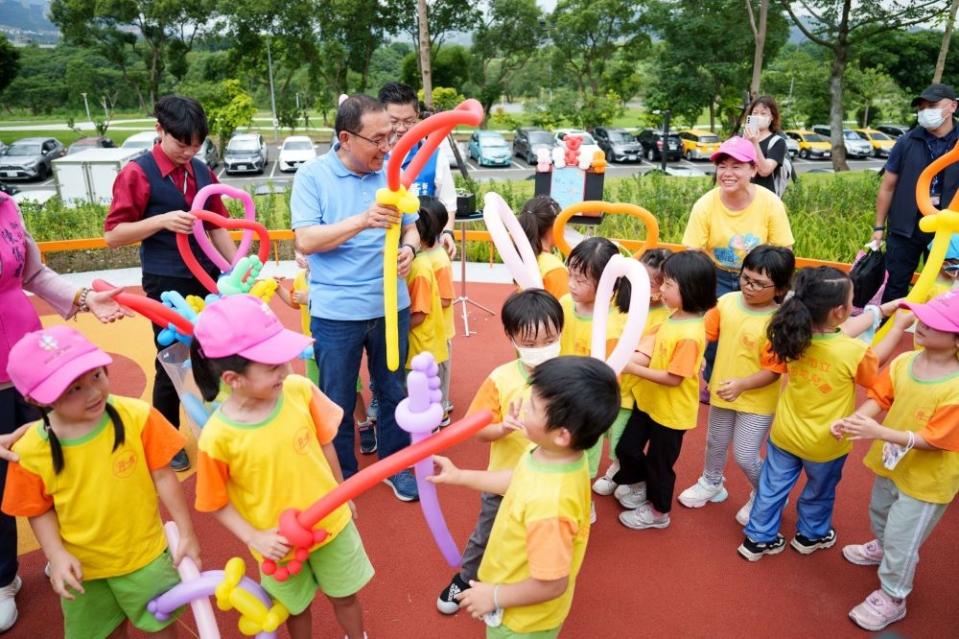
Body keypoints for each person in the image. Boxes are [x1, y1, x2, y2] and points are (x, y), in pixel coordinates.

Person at [191, 295, 373, 639]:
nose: (287, 370)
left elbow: (324, 442)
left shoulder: (299, 391)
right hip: (277, 543)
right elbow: (215, 502)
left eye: (285, 360)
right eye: (273, 366)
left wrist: (341, 492)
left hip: (330, 523)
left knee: (345, 596)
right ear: (233, 378)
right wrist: (255, 537)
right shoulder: (217, 437)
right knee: (294, 608)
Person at [2, 325, 199, 639]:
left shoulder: (137, 416)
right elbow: (37, 510)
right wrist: (56, 554)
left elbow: (163, 474)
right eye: (73, 389)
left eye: (96, 376)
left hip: (144, 557)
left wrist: (186, 532)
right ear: (34, 398)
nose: (93, 392)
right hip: (84, 569)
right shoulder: (30, 451)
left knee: (162, 628)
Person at [0, 191, 128, 631]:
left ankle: (63, 552)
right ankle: (2, 579)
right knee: (3, 473)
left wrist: (82, 298)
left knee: (57, 460)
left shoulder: (6, 206)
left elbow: (32, 272)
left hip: (33, 362)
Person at [429, 355, 621, 639]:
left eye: (532, 406)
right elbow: (517, 479)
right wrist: (460, 476)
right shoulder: (553, 455)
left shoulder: (550, 505)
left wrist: (494, 596)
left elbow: (552, 583)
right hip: (512, 591)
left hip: (524, 624)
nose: (522, 408)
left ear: (562, 435)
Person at [291, 94, 421, 501]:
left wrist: (410, 250)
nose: (387, 147)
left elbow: (413, 228)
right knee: (338, 399)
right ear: (346, 138)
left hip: (390, 306)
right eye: (378, 138)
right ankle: (342, 474)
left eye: (391, 136)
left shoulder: (392, 173)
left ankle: (395, 466)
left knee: (394, 390)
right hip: (336, 313)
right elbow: (307, 239)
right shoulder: (312, 176)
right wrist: (363, 220)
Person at [104, 95, 237, 472]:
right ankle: (167, 439)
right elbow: (113, 234)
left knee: (215, 354)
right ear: (159, 130)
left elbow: (217, 227)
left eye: (196, 145)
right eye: (182, 143)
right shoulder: (137, 173)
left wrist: (237, 269)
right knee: (171, 361)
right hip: (165, 281)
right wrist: (161, 221)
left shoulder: (200, 171)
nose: (189, 152)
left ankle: (219, 431)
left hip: (207, 278)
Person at [832, 292, 959, 633]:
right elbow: (879, 396)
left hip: (928, 480)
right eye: (924, 318)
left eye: (936, 324)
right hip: (893, 463)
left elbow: (935, 440)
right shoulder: (906, 362)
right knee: (880, 511)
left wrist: (879, 432)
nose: (923, 325)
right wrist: (854, 421)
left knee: (904, 539)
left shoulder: (956, 387)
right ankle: (883, 545)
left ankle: (893, 595)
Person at [737, 267, 881, 561]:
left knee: (771, 487)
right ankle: (810, 535)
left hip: (785, 434)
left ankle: (757, 539)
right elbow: (872, 381)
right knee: (820, 491)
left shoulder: (791, 337)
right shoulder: (854, 351)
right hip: (826, 442)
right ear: (840, 312)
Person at [436, 289, 564, 616]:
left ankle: (524, 587)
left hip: (552, 482)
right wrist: (503, 428)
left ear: (561, 333)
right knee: (487, 533)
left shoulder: (569, 378)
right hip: (503, 482)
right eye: (531, 343)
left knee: (541, 539)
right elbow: (476, 430)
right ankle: (465, 579)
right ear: (512, 338)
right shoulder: (501, 379)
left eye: (549, 340)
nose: (541, 350)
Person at [677, 246, 795, 525]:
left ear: (779, 289)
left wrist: (742, 385)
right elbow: (705, 333)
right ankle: (711, 482)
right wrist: (698, 358)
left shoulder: (779, 321)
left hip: (756, 401)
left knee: (744, 453)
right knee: (715, 442)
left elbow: (774, 371)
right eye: (746, 278)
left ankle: (768, 494)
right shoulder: (727, 302)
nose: (749, 287)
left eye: (758, 283)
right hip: (723, 391)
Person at [614, 250, 717, 531]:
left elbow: (674, 379)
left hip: (670, 414)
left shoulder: (690, 334)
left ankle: (659, 512)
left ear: (691, 290)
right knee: (626, 447)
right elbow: (649, 351)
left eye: (669, 284)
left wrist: (633, 369)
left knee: (661, 464)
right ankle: (640, 484)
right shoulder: (673, 318)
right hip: (649, 403)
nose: (661, 288)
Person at [682, 135, 794, 387]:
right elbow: (692, 250)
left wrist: (774, 288)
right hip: (718, 275)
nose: (727, 173)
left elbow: (783, 249)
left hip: (759, 278)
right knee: (712, 334)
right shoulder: (705, 205)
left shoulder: (769, 203)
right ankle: (713, 382)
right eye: (722, 166)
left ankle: (752, 381)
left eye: (736, 166)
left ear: (754, 170)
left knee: (757, 333)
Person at [274, 254, 376, 455]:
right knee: (317, 390)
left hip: (338, 344)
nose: (305, 258)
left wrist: (310, 298)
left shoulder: (336, 273)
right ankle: (327, 430)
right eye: (301, 253)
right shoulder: (301, 277)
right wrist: (278, 289)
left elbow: (342, 299)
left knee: (351, 388)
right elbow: (294, 302)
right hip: (312, 348)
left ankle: (364, 424)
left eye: (309, 253)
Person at [592, 247, 673, 497]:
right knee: (601, 434)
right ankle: (619, 472)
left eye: (660, 284)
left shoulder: (663, 317)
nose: (652, 289)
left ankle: (625, 474)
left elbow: (645, 355)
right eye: (647, 282)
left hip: (629, 391)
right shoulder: (618, 303)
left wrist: (614, 364)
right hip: (602, 384)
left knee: (620, 442)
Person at [873, 84, 959, 304]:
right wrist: (879, 227)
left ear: (952, 106)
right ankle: (889, 331)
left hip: (948, 229)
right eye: (921, 107)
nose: (925, 111)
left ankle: (936, 334)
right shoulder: (906, 141)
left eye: (932, 105)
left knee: (944, 289)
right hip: (905, 228)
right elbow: (887, 186)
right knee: (895, 286)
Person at [379, 82, 458, 259]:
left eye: (408, 121)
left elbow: (448, 202)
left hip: (424, 252)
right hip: (381, 255)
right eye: (393, 121)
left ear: (417, 116)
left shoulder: (434, 157)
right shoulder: (372, 159)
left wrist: (447, 232)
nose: (401, 128)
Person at [419, 197, 456, 423]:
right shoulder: (424, 255)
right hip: (429, 332)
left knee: (439, 373)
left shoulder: (439, 260)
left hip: (439, 332)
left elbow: (445, 299)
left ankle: (441, 410)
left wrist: (423, 302)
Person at [407, 201, 449, 376]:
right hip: (424, 346)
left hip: (420, 349)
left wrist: (394, 328)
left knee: (421, 396)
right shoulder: (419, 263)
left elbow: (420, 313)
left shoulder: (419, 268)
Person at [518, 195, 568, 299]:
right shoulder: (555, 268)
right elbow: (563, 309)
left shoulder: (527, 258)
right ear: (555, 224)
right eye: (563, 222)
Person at [742, 95, 788, 195]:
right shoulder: (744, 139)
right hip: (743, 195)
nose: (758, 116)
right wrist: (744, 141)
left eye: (763, 113)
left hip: (765, 197)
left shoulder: (777, 142)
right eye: (755, 113)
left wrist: (754, 142)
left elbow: (764, 170)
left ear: (772, 117)